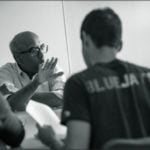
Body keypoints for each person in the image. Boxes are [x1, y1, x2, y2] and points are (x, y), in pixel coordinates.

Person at [37, 7, 150, 150]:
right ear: (119, 44)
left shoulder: (78, 84)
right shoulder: (147, 75)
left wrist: (51, 140)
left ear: (85, 38)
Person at [0, 31, 65, 112]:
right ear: (18, 58)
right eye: (34, 51)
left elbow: (63, 98)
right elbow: (11, 105)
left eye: (41, 47)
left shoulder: (52, 68)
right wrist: (36, 83)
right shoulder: (6, 71)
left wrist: (18, 95)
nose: (41, 54)